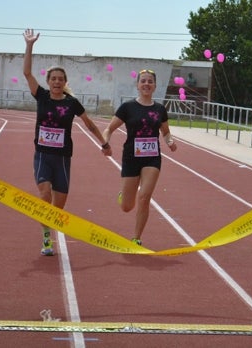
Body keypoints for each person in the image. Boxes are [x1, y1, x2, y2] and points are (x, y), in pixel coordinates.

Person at [23, 29, 111, 256]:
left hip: (62, 158)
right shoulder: (41, 96)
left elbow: (89, 124)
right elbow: (26, 72)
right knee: (44, 194)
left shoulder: (72, 103)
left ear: (64, 82)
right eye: (53, 79)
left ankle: (49, 227)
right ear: (48, 81)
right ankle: (46, 239)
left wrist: (104, 143)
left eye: (60, 79)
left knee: (58, 206)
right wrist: (29, 45)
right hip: (42, 155)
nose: (56, 82)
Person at [102, 69, 177, 246]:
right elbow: (109, 129)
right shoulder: (127, 107)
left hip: (152, 157)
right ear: (137, 85)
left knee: (144, 197)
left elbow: (165, 133)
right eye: (143, 81)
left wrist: (170, 142)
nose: (146, 84)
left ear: (155, 86)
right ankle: (124, 195)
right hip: (130, 157)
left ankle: (136, 238)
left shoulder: (159, 109)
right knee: (127, 207)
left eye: (150, 81)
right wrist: (105, 142)